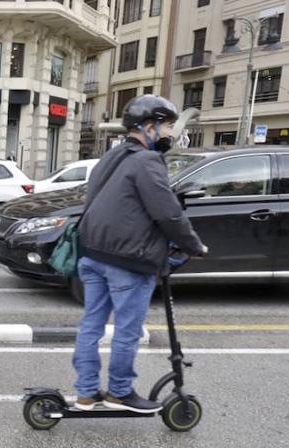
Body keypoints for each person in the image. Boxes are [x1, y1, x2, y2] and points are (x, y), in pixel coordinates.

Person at [72, 95, 208, 414]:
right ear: (149, 127)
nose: (170, 135)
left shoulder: (111, 156)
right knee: (127, 330)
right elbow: (168, 213)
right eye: (168, 127)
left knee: (91, 324)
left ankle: (86, 392)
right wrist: (193, 245)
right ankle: (119, 391)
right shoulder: (147, 161)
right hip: (127, 262)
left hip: (92, 254)